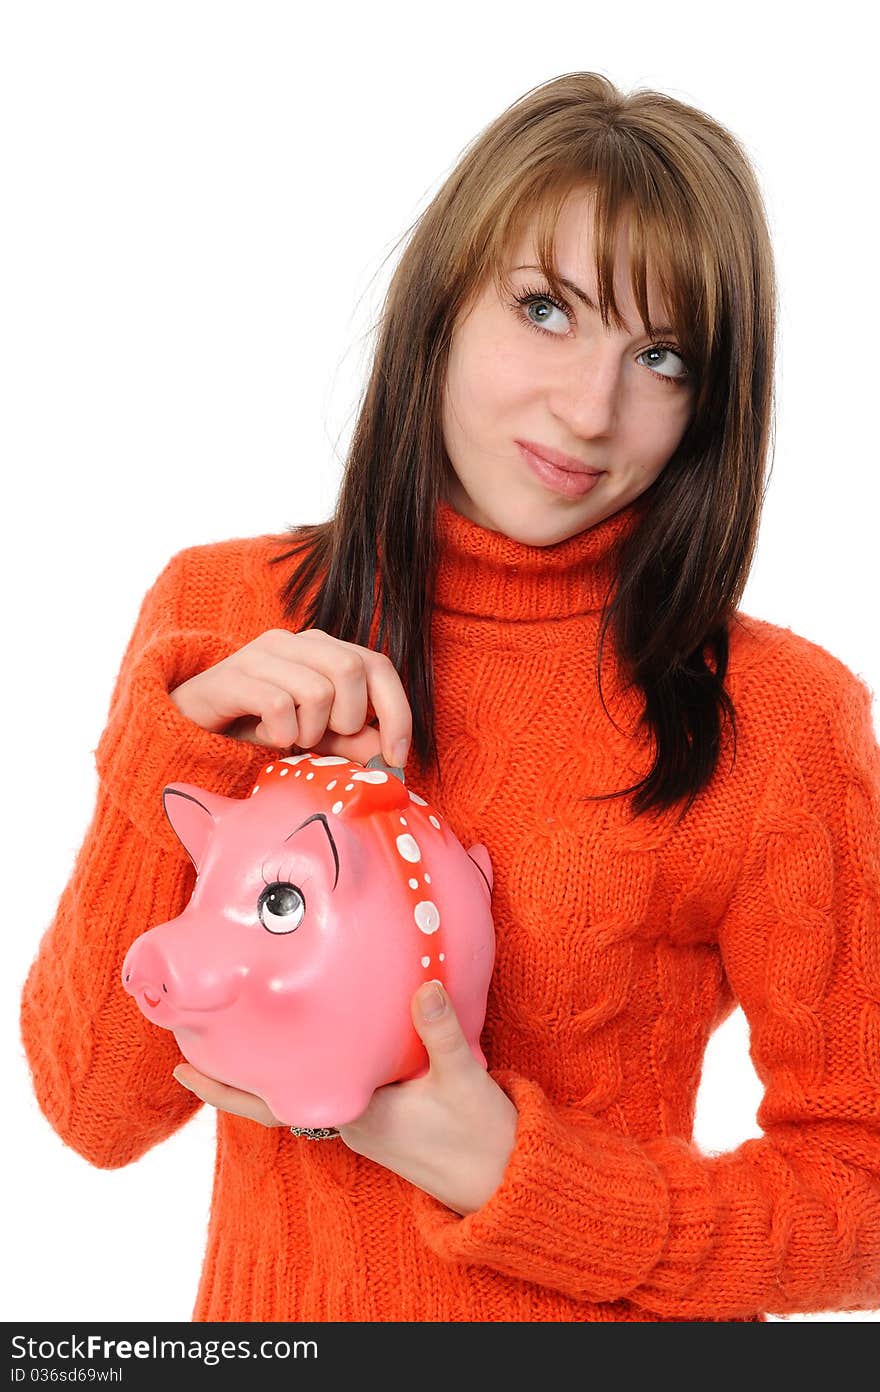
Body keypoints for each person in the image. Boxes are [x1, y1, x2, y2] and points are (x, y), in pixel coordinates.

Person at [20, 70, 880, 1324]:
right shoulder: (224, 617)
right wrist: (185, 751)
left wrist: (517, 1177)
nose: (588, 410)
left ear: (712, 402)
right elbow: (94, 1110)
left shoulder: (779, 719)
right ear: (441, 303)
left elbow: (862, 1186)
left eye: (662, 356)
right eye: (544, 310)